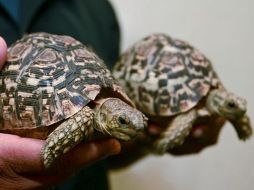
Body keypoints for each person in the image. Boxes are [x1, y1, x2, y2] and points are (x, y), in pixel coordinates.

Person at [0, 0, 225, 189]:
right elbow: (85, 118)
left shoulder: (98, 9)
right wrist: (50, 153)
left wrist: (155, 138)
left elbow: (110, 151)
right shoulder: (88, 115)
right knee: (86, 118)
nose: (135, 126)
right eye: (123, 121)